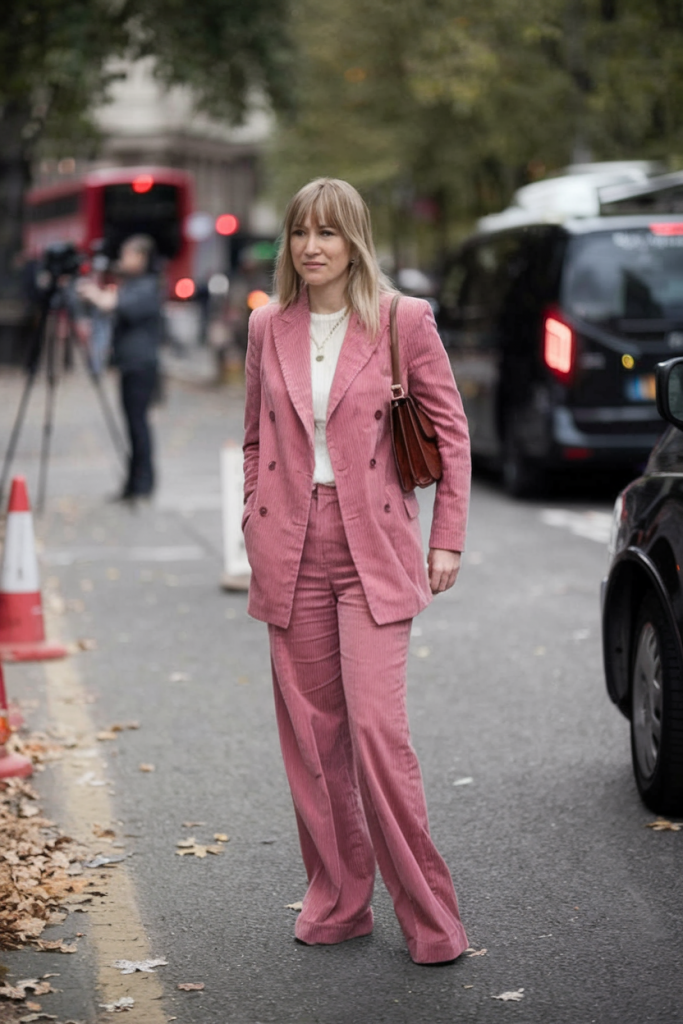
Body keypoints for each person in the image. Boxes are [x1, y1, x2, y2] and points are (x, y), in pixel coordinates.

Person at [242, 178, 472, 965]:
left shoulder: (402, 320)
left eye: (328, 233)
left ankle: (430, 919)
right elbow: (254, 437)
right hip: (289, 545)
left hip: (371, 543)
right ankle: (340, 902)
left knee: (376, 733)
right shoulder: (266, 325)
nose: (312, 247)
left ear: (354, 242)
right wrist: (252, 518)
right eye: (300, 232)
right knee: (314, 740)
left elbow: (451, 433)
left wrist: (446, 538)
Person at [78, 235, 162, 501]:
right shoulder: (133, 283)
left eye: (127, 254)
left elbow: (115, 305)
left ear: (141, 257)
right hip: (130, 364)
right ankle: (134, 482)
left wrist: (94, 293)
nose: (122, 260)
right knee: (133, 424)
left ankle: (143, 483)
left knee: (138, 424)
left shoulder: (148, 285)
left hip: (141, 365)